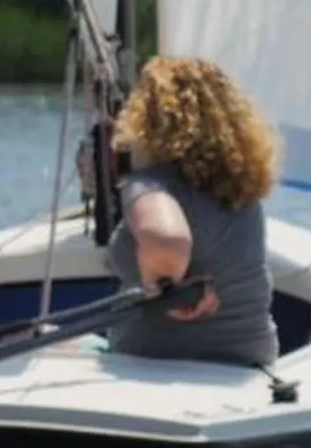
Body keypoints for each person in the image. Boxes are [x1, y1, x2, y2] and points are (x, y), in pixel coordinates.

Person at [102, 55, 282, 367]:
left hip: (154, 363)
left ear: (147, 120)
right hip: (249, 361)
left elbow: (166, 242)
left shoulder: (149, 185)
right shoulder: (242, 189)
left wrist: (168, 286)